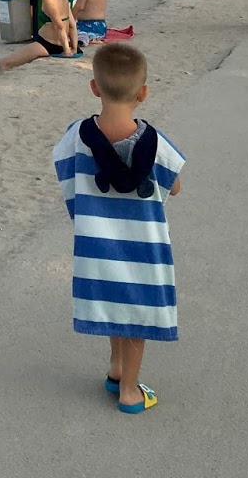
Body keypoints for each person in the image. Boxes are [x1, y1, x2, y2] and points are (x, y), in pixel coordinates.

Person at [52, 43, 185, 414]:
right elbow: (174, 185)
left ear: (95, 88)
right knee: (137, 321)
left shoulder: (77, 136)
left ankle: (114, 370)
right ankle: (129, 391)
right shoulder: (155, 144)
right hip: (142, 250)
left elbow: (63, 170)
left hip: (97, 247)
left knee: (113, 307)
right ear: (143, 94)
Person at [0, 0, 77, 70]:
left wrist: (67, 50)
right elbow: (72, 24)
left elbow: (59, 25)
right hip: (56, 43)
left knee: (4, 63)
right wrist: (75, 47)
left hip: (48, 44)